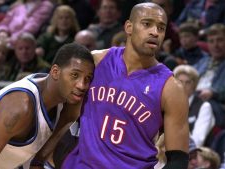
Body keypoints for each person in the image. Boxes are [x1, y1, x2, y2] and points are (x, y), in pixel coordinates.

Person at [34, 2, 190, 169]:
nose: (154, 32)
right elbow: (65, 114)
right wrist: (39, 158)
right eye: (147, 24)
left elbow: (178, 161)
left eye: (161, 28)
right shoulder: (96, 62)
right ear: (129, 27)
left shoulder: (171, 88)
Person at [0, 43, 94, 169]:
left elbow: (37, 162)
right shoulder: (20, 108)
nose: (82, 85)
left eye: (88, 78)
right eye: (75, 75)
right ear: (55, 72)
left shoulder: (61, 101)